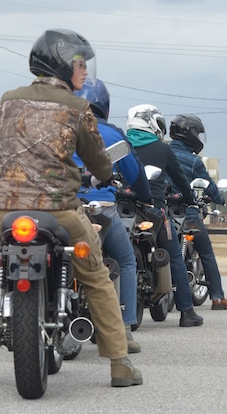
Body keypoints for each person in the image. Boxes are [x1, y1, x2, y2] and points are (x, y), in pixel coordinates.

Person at [0, 29, 142, 387]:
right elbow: (99, 162)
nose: (85, 72)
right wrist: (104, 174)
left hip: (4, 211)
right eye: (80, 64)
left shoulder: (8, 100)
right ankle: (120, 364)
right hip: (60, 210)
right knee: (95, 276)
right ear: (61, 65)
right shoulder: (77, 108)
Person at [73, 79, 152, 352]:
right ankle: (126, 330)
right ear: (104, 105)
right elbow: (135, 173)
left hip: (65, 205)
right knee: (127, 260)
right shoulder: (112, 134)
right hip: (102, 208)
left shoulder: (60, 126)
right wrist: (145, 196)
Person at [125, 104, 204, 327]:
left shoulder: (121, 145)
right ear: (152, 123)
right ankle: (187, 312)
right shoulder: (162, 149)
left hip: (124, 209)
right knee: (175, 256)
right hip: (154, 210)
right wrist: (189, 197)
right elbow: (179, 179)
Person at [168, 114, 227, 310]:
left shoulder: (163, 152)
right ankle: (218, 297)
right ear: (191, 134)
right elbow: (210, 187)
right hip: (188, 213)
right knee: (206, 252)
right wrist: (219, 199)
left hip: (163, 213)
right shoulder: (193, 161)